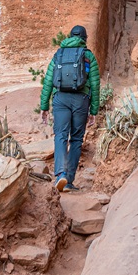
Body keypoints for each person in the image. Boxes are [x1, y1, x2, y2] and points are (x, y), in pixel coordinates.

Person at [40, 25, 100, 192]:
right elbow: (95, 84)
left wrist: (44, 106)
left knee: (60, 135)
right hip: (81, 100)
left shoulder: (58, 54)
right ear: (84, 38)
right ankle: (69, 180)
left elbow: (48, 81)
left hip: (60, 99)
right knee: (76, 139)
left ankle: (60, 174)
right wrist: (94, 111)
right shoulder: (88, 56)